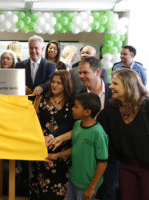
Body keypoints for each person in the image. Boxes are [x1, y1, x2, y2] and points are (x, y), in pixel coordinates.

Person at [97, 69, 149, 200]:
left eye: (115, 83)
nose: (110, 86)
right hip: (125, 166)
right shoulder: (109, 112)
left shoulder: (146, 107)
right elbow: (92, 128)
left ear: (128, 85)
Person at [48, 93, 108, 200]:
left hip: (87, 186)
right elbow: (76, 148)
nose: (72, 109)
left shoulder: (98, 133)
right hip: (73, 180)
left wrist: (91, 188)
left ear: (87, 112)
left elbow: (102, 163)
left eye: (76, 106)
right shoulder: (77, 125)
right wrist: (57, 155)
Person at [29, 70, 74, 200]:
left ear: (66, 84)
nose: (54, 85)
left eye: (58, 83)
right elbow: (33, 120)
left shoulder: (72, 101)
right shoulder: (43, 99)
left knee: (59, 191)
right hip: (43, 147)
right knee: (41, 188)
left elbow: (71, 124)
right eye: (53, 82)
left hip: (63, 151)